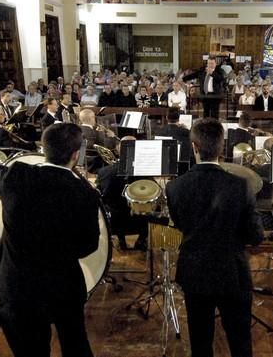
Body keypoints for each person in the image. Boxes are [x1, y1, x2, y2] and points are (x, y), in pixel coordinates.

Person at [0, 123, 100, 357]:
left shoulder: (16, 177)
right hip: (63, 287)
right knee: (76, 344)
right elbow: (88, 246)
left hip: (18, 289)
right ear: (76, 155)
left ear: (43, 148)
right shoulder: (85, 194)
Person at [165, 119, 263, 357]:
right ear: (223, 147)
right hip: (233, 272)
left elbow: (180, 225)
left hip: (194, 273)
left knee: (200, 342)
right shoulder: (241, 186)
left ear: (194, 147)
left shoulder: (175, 187)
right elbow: (256, 236)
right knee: (240, 340)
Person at [96, 136, 148, 250]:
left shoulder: (104, 172)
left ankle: (121, 239)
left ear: (118, 150)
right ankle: (141, 240)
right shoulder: (145, 173)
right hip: (140, 223)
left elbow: (101, 197)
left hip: (115, 223)